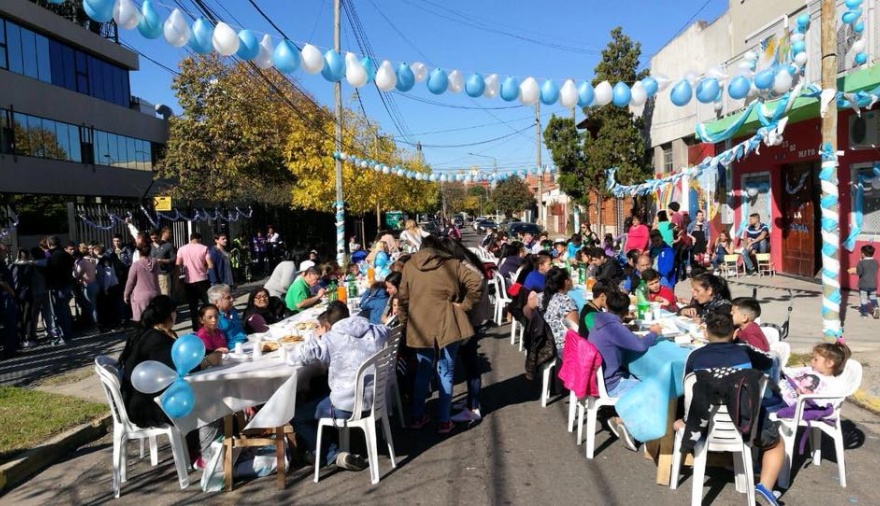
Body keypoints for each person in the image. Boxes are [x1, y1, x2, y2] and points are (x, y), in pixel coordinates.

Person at [118, 295, 222, 470]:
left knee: (200, 396)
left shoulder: (151, 333)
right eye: (175, 312)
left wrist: (209, 352)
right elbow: (179, 367)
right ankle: (204, 455)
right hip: (145, 406)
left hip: (144, 398)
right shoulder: (155, 339)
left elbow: (181, 354)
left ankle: (202, 448)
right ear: (169, 315)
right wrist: (207, 361)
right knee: (207, 402)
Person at [289, 302, 389, 471]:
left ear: (328, 324)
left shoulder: (331, 338)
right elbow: (388, 330)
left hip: (347, 406)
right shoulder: (373, 330)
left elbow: (297, 356)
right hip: (375, 398)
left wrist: (318, 337)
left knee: (296, 415)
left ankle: (331, 454)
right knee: (321, 391)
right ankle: (331, 446)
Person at [398, 235, 483, 434]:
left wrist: (405, 321)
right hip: (448, 322)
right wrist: (465, 305)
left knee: (423, 370)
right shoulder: (451, 264)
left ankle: (418, 415)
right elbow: (476, 281)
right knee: (446, 370)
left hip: (420, 323)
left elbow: (403, 297)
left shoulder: (410, 266)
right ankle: (444, 420)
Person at [750, 341, 851, 505]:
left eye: (816, 359)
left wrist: (804, 394)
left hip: (788, 404)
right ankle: (754, 461)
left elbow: (828, 402)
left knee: (756, 409)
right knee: (755, 400)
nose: (812, 362)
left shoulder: (832, 383)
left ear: (830, 363)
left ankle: (754, 460)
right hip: (781, 395)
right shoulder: (809, 371)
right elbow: (789, 372)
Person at [589, 290, 662, 451]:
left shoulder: (598, 320)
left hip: (597, 378)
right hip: (611, 383)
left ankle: (620, 418)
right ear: (626, 311)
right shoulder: (614, 327)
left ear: (606, 305)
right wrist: (654, 333)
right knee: (654, 389)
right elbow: (640, 345)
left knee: (638, 378)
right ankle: (629, 426)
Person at [442, 239, 492, 424]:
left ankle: (473, 407)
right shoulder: (468, 262)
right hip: (474, 319)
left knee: (470, 363)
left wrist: (461, 306)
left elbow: (475, 288)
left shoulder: (466, 267)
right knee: (469, 362)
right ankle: (472, 399)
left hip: (470, 320)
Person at [535, 267, 579, 355]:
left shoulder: (542, 296)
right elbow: (575, 331)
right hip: (561, 348)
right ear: (566, 282)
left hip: (545, 341)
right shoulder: (567, 301)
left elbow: (527, 307)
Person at [176, 233, 213, 330]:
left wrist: (177, 280)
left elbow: (177, 264)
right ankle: (208, 324)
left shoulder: (182, 249)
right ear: (199, 239)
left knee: (193, 307)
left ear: (191, 239)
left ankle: (196, 327)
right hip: (202, 280)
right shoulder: (204, 248)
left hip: (189, 282)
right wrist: (204, 267)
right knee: (207, 304)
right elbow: (210, 265)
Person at [45, 236, 75, 343]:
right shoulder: (66, 255)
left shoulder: (51, 256)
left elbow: (50, 272)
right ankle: (68, 333)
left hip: (57, 286)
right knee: (66, 310)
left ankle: (63, 335)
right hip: (67, 284)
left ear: (49, 244)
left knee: (58, 312)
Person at [124, 243, 160, 323]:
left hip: (140, 296)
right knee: (154, 320)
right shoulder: (155, 263)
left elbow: (130, 282)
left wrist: (126, 294)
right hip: (155, 293)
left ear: (138, 252)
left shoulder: (135, 265)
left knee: (141, 321)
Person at [207, 284, 247, 348]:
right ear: (216, 302)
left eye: (232, 296)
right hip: (233, 350)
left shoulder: (232, 311)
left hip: (246, 342)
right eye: (228, 298)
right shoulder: (214, 320)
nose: (232, 299)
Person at [847, 244, 879, 318]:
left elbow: (859, 272)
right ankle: (876, 307)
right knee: (873, 297)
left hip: (864, 284)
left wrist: (853, 271)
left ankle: (864, 313)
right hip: (873, 284)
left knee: (864, 298)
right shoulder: (876, 262)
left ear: (863, 254)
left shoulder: (861, 263)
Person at [154, 227, 176, 297]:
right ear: (163, 233)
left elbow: (173, 259)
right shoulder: (151, 246)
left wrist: (162, 261)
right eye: (168, 233)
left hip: (165, 273)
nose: (170, 234)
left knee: (166, 294)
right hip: (153, 274)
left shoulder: (169, 245)